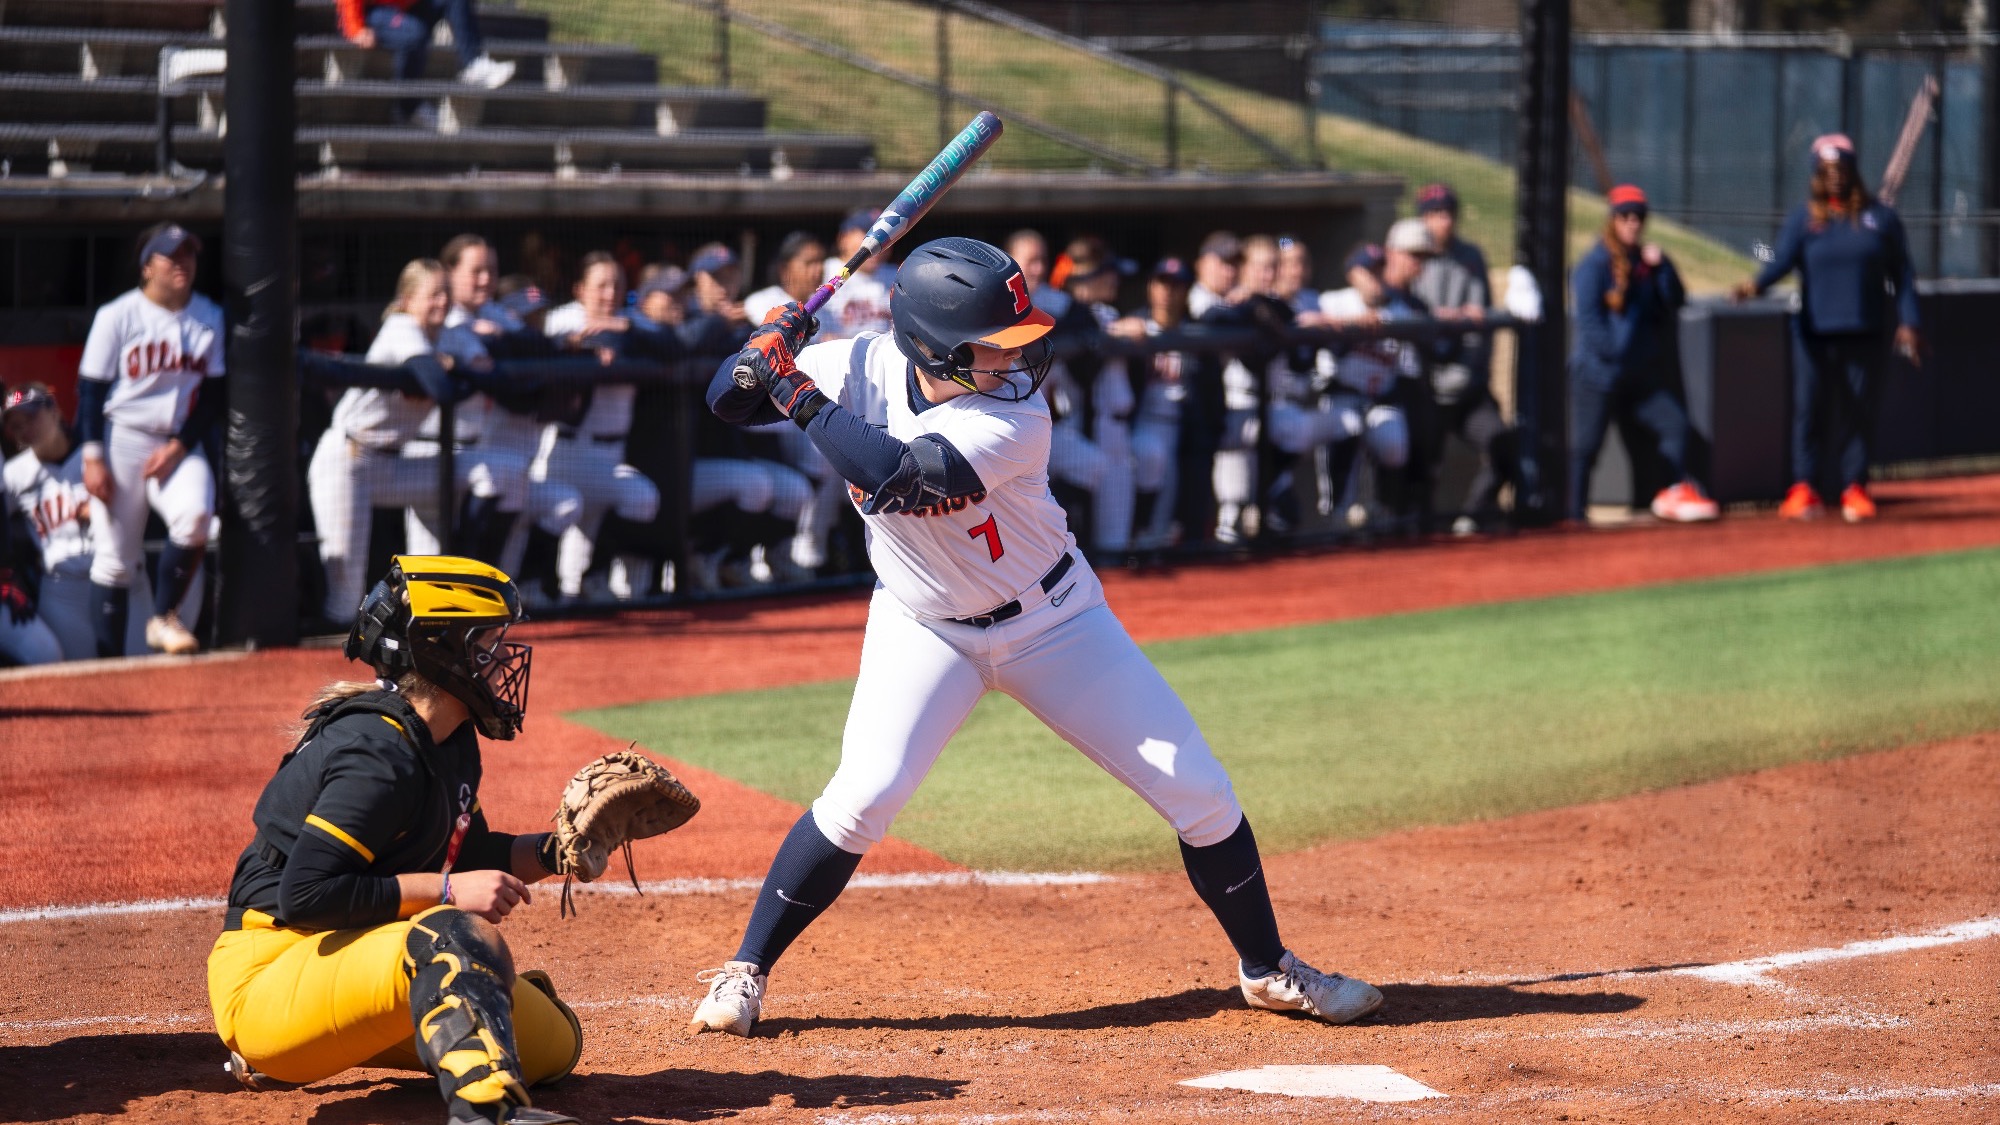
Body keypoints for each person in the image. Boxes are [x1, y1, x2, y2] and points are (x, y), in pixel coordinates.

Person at [693, 235, 1384, 1037]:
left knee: (1199, 787)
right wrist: (767, 346)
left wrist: (793, 390)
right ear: (932, 348)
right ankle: (746, 967)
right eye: (994, 347)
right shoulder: (856, 365)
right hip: (925, 625)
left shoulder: (1015, 417)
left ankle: (1268, 969)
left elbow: (895, 472)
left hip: (1056, 620)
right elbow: (726, 403)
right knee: (864, 795)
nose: (1017, 360)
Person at [206, 555, 580, 1125]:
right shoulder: (377, 755)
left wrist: (562, 849)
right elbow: (305, 896)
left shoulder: (449, 739)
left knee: (558, 1044)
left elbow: (467, 852)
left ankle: (440, 994)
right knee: (454, 932)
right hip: (273, 970)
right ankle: (486, 1114)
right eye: (486, 642)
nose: (503, 656)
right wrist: (449, 894)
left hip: (353, 955)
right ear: (441, 649)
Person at [309, 258, 529, 623]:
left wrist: (453, 363)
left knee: (499, 471)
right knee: (345, 598)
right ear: (408, 299)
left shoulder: (448, 333)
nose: (442, 303)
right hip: (348, 458)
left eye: (445, 294)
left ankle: (463, 597)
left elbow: (491, 375)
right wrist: (446, 367)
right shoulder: (400, 326)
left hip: (397, 463)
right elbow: (437, 384)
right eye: (433, 295)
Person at [1734, 133, 1922, 523]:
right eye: (1826, 170)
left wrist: (1910, 322)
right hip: (1813, 333)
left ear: (1853, 171)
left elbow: (1902, 274)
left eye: (1841, 169)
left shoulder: (1879, 218)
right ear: (1817, 175)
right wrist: (1755, 284)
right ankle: (1805, 487)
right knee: (1810, 410)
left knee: (1858, 413)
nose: (1834, 177)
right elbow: (1780, 260)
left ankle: (1855, 488)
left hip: (1865, 329)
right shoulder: (1804, 219)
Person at [78, 222, 223, 657]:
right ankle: (107, 666)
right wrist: (92, 456)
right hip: (124, 437)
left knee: (196, 514)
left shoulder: (210, 316)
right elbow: (90, 390)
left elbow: (214, 396)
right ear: (146, 267)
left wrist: (179, 445)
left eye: (189, 255)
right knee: (116, 559)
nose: (183, 263)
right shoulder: (117, 315)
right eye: (171, 256)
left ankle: (163, 619)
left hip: (179, 442)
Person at [2, 384, 199, 663]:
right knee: (81, 684)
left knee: (145, 670)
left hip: (122, 579)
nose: (25, 429)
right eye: (16, 425)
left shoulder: (104, 455)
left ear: (55, 411)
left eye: (31, 417)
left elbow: (154, 505)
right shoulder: (14, 475)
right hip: (63, 591)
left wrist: (105, 510)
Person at [1569, 185, 1719, 525]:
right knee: (1586, 447)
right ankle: (1572, 517)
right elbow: (1591, 324)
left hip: (1639, 379)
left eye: (1638, 217)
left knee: (1675, 426)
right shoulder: (1593, 266)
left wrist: (1663, 266)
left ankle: (1669, 496)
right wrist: (1617, 354)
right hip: (1598, 376)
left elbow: (1675, 300)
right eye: (1625, 216)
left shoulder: (1647, 264)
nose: (1632, 223)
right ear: (1612, 220)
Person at [439, 235, 583, 583]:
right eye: (476, 271)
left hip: (475, 454)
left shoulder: (491, 313)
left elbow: (539, 345)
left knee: (507, 477)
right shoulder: (441, 317)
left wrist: (502, 337)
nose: (485, 279)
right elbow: (501, 383)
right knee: (427, 567)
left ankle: (491, 591)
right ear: (449, 273)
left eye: (491, 270)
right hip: (427, 451)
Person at [538, 252, 666, 601]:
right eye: (600, 285)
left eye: (616, 285)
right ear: (580, 289)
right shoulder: (563, 319)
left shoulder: (629, 321)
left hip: (612, 453)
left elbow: (673, 343)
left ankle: (593, 576)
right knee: (564, 509)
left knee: (641, 499)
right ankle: (541, 585)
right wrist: (588, 345)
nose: (609, 293)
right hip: (565, 450)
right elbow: (550, 342)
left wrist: (624, 330)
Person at [1409, 183, 1514, 533]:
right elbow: (1364, 265)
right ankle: (1413, 528)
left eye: (1449, 214)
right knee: (1416, 462)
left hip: (1468, 387)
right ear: (1423, 218)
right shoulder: (1409, 255)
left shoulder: (1471, 257)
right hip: (1426, 388)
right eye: (1436, 214)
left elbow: (1479, 321)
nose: (1444, 222)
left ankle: (1473, 516)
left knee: (1505, 446)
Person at [337, 0, 516, 124]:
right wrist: (355, 28)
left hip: (407, 6)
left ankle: (473, 64)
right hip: (374, 10)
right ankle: (407, 107)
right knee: (414, 34)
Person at [819, 209, 895, 340]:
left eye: (885, 236)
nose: (879, 242)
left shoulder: (897, 275)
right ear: (844, 238)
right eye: (868, 233)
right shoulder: (821, 272)